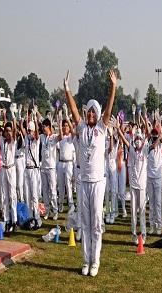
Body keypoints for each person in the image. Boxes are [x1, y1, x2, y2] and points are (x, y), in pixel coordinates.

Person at [64, 69, 117, 277]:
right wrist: (67, 89)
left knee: (96, 222)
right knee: (83, 222)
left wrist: (113, 87)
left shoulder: (102, 129)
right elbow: (73, 108)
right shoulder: (82, 128)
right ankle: (85, 260)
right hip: (83, 181)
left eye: (94, 112)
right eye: (89, 112)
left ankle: (95, 260)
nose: (91, 115)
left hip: (98, 181)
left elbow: (109, 110)